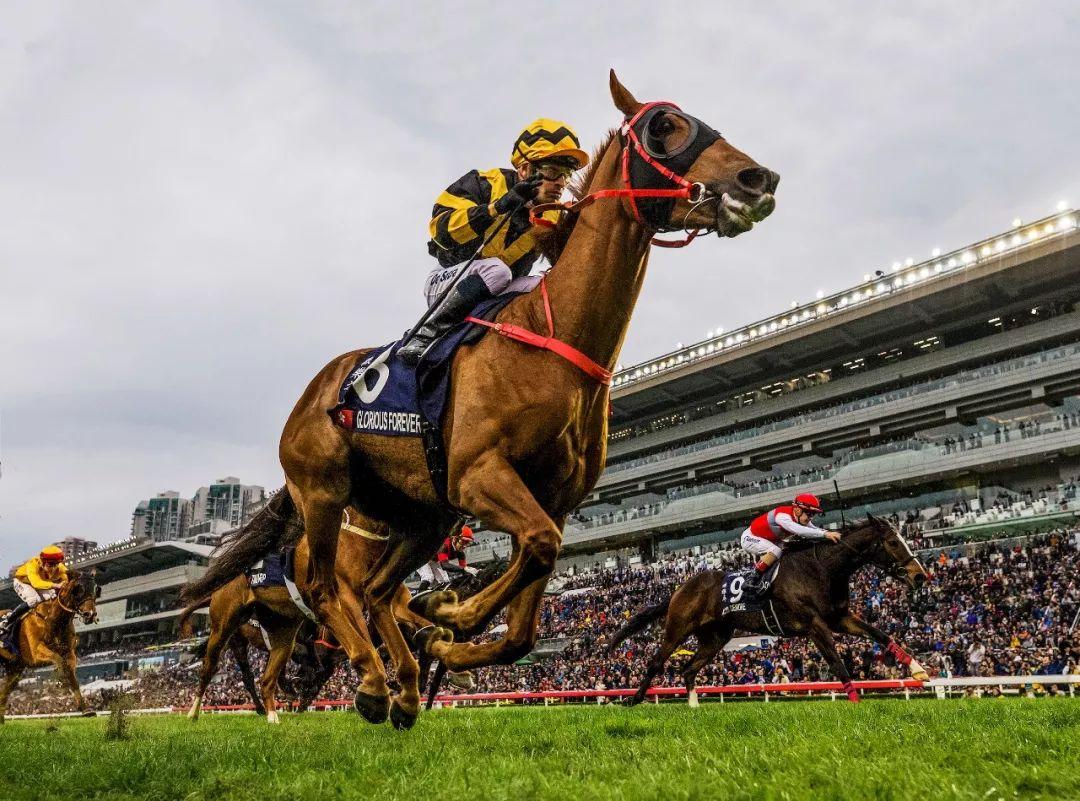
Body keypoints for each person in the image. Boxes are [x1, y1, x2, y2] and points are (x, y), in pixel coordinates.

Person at [397, 119, 589, 364]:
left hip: (499, 288)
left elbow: (566, 264)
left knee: (545, 285)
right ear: (524, 170)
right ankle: (425, 333)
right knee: (496, 270)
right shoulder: (484, 182)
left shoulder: (552, 214)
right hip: (447, 280)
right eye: (552, 171)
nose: (561, 183)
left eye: (566, 174)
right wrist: (498, 207)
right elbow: (440, 231)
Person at [739, 494, 840, 593]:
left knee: (788, 550)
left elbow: (815, 529)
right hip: (750, 538)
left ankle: (768, 579)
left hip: (769, 539)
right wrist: (826, 534)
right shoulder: (783, 517)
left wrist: (830, 533)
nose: (811, 518)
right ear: (798, 510)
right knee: (775, 551)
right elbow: (801, 531)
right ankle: (750, 579)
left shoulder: (800, 517)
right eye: (809, 514)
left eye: (813, 514)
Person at [0, 545, 69, 640]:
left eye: (55, 565)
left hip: (41, 583)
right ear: (43, 562)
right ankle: (7, 621)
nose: (53, 569)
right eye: (50, 565)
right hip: (23, 582)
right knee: (34, 600)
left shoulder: (59, 567)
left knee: (52, 597)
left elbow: (68, 578)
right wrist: (57, 585)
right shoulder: (32, 564)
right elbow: (36, 583)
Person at [415, 525, 479, 592]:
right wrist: (464, 569)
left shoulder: (461, 554)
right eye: (463, 541)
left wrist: (474, 573)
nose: (465, 546)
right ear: (455, 539)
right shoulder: (445, 544)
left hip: (433, 560)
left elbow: (464, 570)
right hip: (421, 556)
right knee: (428, 577)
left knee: (444, 581)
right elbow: (444, 565)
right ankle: (417, 598)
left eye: (468, 543)